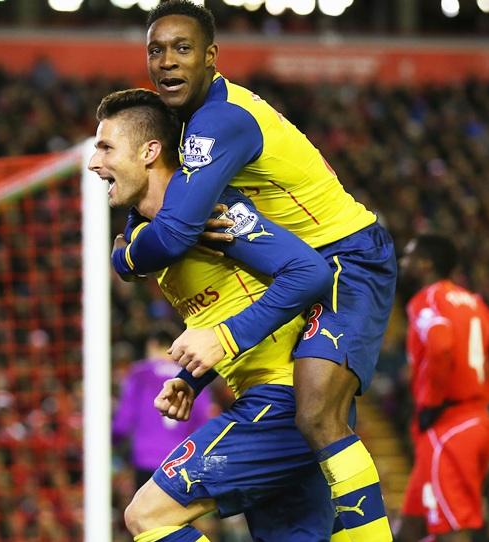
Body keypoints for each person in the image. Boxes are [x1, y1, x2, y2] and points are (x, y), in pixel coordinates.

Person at [110, 1, 396, 539]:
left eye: (182, 48)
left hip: (348, 257)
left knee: (315, 413)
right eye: (155, 50)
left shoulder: (219, 121)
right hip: (310, 267)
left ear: (212, 57)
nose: (166, 61)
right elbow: (171, 220)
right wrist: (195, 377)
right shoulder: (193, 123)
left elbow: (171, 233)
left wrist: (123, 256)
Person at [90, 88, 353, 542]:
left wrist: (223, 340)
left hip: (287, 399)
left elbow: (309, 273)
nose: (94, 162)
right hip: (276, 400)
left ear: (150, 151)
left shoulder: (216, 212)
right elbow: (227, 302)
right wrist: (192, 380)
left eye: (106, 147)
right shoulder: (160, 233)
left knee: (147, 516)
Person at [396, 234, 489, 542]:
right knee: (412, 525)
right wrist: (483, 395)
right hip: (471, 422)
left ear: (426, 264)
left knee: (452, 529)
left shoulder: (427, 299)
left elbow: (440, 345)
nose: (404, 262)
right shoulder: (475, 303)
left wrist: (434, 401)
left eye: (410, 256)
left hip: (449, 426)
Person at [112, 325, 213, 491]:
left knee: (144, 515)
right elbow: (203, 424)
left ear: (152, 345)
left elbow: (123, 423)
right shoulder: (194, 378)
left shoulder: (139, 374)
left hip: (146, 459)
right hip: (180, 462)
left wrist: (109, 444)